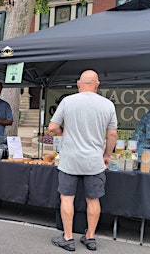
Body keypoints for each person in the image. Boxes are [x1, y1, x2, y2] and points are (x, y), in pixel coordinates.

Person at [48, 70, 118, 251]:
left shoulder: (67, 101)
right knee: (93, 200)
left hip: (70, 159)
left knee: (67, 198)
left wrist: (64, 133)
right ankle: (90, 237)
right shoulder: (108, 105)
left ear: (79, 83)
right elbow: (112, 134)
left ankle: (68, 237)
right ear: (97, 84)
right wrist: (107, 155)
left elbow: (52, 127)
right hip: (94, 161)